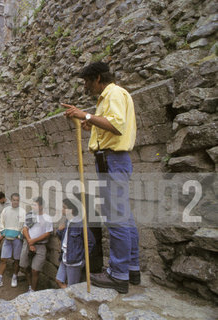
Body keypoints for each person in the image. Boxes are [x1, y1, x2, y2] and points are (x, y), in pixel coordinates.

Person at [63, 61, 139, 294]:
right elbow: (110, 126)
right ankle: (131, 268)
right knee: (124, 217)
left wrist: (84, 114)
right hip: (112, 160)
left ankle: (118, 274)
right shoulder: (109, 97)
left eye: (87, 81)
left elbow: (117, 126)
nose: (85, 86)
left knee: (116, 218)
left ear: (97, 78)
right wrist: (92, 125)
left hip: (112, 161)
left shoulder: (113, 94)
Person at [56, 197, 95, 288]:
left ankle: (72, 300)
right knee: (59, 280)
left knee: (72, 287)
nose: (62, 209)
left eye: (64, 207)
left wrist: (81, 257)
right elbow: (64, 238)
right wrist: (59, 230)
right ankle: (68, 296)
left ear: (71, 210)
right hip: (65, 257)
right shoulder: (67, 221)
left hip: (74, 261)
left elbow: (91, 242)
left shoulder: (80, 224)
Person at [0, 193, 25, 289]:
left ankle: (14, 277)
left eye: (17, 200)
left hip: (17, 239)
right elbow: (2, 222)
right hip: (7, 238)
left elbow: (23, 225)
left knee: (16, 259)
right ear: (11, 200)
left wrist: (19, 235)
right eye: (14, 200)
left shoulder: (22, 212)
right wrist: (3, 232)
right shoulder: (6, 210)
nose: (15, 202)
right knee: (3, 259)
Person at [19, 197, 53, 292]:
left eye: (35, 205)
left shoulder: (47, 218)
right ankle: (30, 285)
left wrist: (34, 241)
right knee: (24, 266)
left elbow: (47, 234)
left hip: (40, 245)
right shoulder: (30, 215)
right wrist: (30, 242)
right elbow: (25, 229)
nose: (32, 206)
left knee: (35, 270)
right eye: (32, 204)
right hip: (28, 243)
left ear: (41, 206)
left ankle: (33, 290)